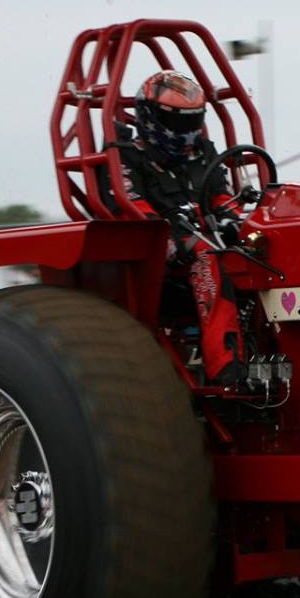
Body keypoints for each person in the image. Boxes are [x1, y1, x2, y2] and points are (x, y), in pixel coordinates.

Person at [120, 69, 261, 387]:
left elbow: (222, 197)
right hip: (156, 255)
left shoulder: (203, 153)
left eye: (191, 121)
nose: (185, 132)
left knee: (262, 245)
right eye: (178, 122)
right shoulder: (128, 157)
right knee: (206, 257)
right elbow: (132, 208)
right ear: (150, 117)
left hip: (206, 240)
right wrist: (174, 235)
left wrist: (234, 220)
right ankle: (226, 368)